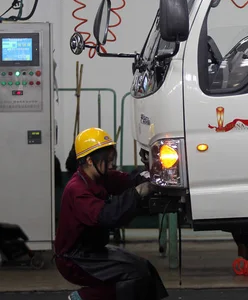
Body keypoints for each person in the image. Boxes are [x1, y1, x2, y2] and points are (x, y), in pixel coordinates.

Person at [53, 127, 168, 300]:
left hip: (93, 250)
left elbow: (129, 180)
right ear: (90, 161)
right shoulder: (77, 189)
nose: (112, 164)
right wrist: (137, 193)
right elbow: (107, 216)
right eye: (107, 160)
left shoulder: (101, 177)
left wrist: (154, 174)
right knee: (134, 276)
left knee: (145, 269)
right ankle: (82, 298)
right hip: (75, 258)